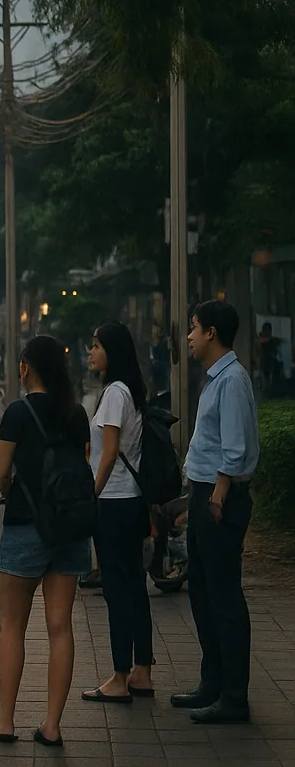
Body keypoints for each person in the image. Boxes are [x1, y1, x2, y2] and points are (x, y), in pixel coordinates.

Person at [0, 335, 90, 747]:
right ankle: (52, 726)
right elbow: (82, 465)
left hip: (25, 525)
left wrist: (10, 491)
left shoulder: (18, 412)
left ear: (25, 369)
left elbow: (1, 473)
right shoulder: (76, 413)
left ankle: (5, 720)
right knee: (60, 627)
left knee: (12, 625)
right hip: (69, 528)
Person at [172, 300, 260, 723]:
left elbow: (235, 446)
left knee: (224, 597)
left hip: (220, 498)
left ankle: (234, 696)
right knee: (203, 592)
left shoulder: (232, 381)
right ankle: (213, 682)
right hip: (205, 493)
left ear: (211, 333)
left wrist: (218, 494)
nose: (189, 336)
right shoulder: (215, 378)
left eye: (194, 327)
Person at [80, 321, 154, 703]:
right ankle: (142, 672)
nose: (91, 352)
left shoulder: (112, 394)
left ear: (113, 350)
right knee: (135, 586)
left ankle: (119, 677)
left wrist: (91, 495)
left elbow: (108, 454)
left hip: (112, 502)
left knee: (116, 589)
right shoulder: (131, 391)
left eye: (96, 345)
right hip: (133, 501)